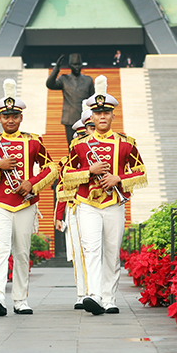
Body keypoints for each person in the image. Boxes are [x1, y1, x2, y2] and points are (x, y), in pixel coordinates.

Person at [61, 75, 147, 315]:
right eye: (97, 113)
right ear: (91, 116)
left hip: (114, 203)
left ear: (112, 116)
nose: (101, 117)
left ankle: (109, 299)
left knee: (111, 252)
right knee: (91, 249)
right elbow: (66, 174)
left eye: (105, 113)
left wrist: (118, 178)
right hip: (87, 203)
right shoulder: (78, 145)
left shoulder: (126, 143)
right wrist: (90, 171)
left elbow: (141, 172)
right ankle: (95, 295)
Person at [0, 78, 57, 316]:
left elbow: (52, 167)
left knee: (22, 252)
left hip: (25, 203)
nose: (10, 120)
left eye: (15, 116)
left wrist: (32, 184)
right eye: (6, 115)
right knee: (0, 248)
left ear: (21, 117)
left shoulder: (33, 141)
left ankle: (21, 300)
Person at [56, 101, 93, 310]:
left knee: (98, 252)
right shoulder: (66, 162)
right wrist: (59, 216)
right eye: (78, 136)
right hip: (76, 207)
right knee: (79, 252)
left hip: (99, 205)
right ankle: (83, 293)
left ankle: (101, 292)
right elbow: (62, 190)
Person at [46, 53, 95, 145]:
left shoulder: (88, 80)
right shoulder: (64, 79)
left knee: (86, 144)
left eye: (78, 64)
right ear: (69, 66)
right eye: (74, 64)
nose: (77, 67)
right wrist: (57, 68)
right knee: (71, 145)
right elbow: (50, 84)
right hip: (69, 117)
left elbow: (92, 99)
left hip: (84, 118)